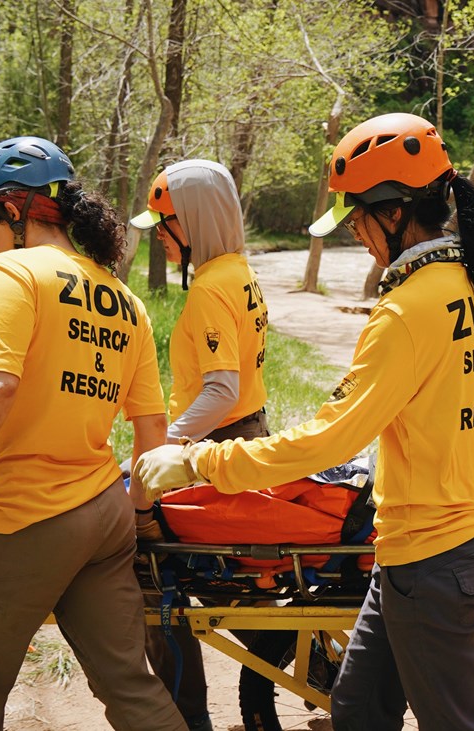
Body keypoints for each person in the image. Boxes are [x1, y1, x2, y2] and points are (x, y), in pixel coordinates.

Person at [134, 112, 474, 731]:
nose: (355, 231)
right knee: (357, 712)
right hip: (425, 552)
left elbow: (331, 438)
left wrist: (197, 460)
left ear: (396, 210)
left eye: (357, 216)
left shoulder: (406, 312)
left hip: (430, 561)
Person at [0, 136, 185, 731]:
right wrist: (140, 511)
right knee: (129, 686)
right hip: (104, 517)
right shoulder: (125, 301)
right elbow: (152, 430)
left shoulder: (13, 270)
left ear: (12, 210)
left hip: (22, 517)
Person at [129, 159, 270, 731]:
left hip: (214, 446)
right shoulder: (240, 271)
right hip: (249, 434)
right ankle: (282, 654)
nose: (159, 236)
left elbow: (220, 388)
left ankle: (186, 719)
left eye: (165, 224)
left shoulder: (211, 287)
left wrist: (162, 447)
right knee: (229, 580)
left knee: (152, 579)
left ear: (193, 221)